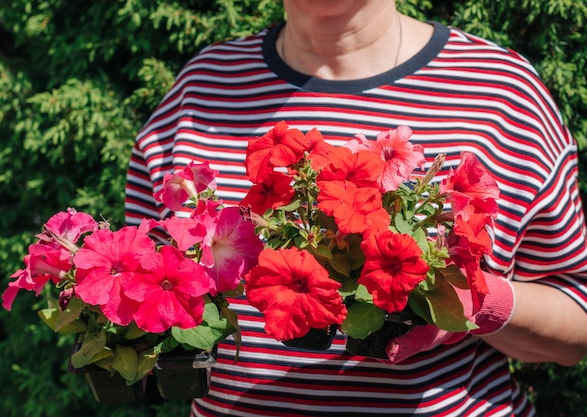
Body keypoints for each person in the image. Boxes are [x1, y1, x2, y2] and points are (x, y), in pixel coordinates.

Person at [125, 1, 587, 415]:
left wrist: (475, 304)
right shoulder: (203, 85)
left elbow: (577, 323)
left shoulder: (500, 91)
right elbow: (141, 279)